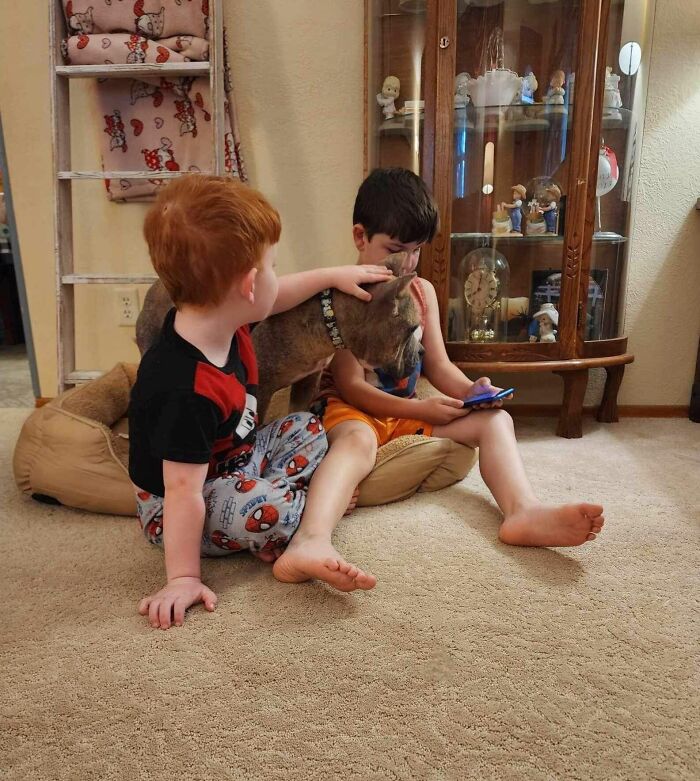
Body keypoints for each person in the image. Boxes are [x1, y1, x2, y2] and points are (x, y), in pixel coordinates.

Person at [130, 175, 388, 630]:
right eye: (272, 266)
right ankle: (300, 525)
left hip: (233, 460)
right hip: (175, 504)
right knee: (267, 510)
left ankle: (292, 513)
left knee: (307, 428)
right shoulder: (184, 387)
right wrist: (183, 578)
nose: (277, 277)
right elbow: (183, 492)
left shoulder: (219, 317)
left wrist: (334, 276)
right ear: (249, 284)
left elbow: (278, 295)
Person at [312, 167, 605, 548]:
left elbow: (438, 366)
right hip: (351, 413)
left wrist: (472, 391)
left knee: (496, 420)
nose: (407, 263)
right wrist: (422, 410)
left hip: (404, 413)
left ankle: (522, 511)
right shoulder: (345, 297)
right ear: (360, 236)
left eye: (417, 250)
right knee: (356, 443)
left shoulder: (422, 293)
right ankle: (313, 537)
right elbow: (352, 388)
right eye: (395, 250)